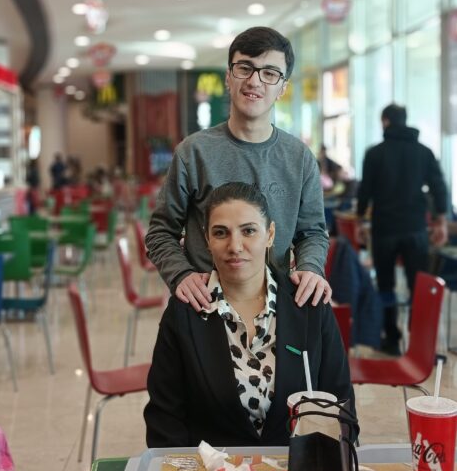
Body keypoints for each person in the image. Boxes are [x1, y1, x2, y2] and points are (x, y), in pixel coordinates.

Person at [144, 182, 355, 448]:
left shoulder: (309, 304)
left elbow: (342, 409)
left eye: (249, 231)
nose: (235, 246)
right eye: (221, 233)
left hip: (299, 468)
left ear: (270, 235)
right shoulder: (185, 312)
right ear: (207, 239)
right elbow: (164, 422)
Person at [146, 26, 331, 312]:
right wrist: (181, 275)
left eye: (270, 73)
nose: (255, 81)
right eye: (245, 68)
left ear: (282, 88)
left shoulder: (300, 158)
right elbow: (160, 232)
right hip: (205, 305)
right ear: (228, 78)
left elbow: (312, 233)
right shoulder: (193, 152)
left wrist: (310, 268)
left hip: (277, 309)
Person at [356, 103, 448, 354]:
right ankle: (420, 341)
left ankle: (392, 339)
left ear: (385, 121)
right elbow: (439, 187)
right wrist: (441, 220)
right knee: (419, 285)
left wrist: (360, 220)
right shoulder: (424, 152)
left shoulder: (375, 154)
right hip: (415, 228)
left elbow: (365, 191)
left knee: (386, 285)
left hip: (384, 229)